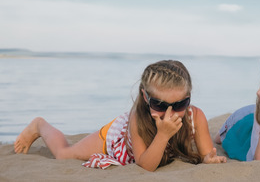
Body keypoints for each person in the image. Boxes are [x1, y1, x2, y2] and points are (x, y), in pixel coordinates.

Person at [14, 60, 226, 171]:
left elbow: (208, 154)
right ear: (145, 97)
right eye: (159, 105)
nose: (170, 113)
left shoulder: (194, 116)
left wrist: (208, 159)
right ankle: (40, 125)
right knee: (63, 154)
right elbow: (145, 166)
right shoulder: (138, 117)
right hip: (116, 141)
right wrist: (162, 135)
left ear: (188, 97)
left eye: (180, 104)